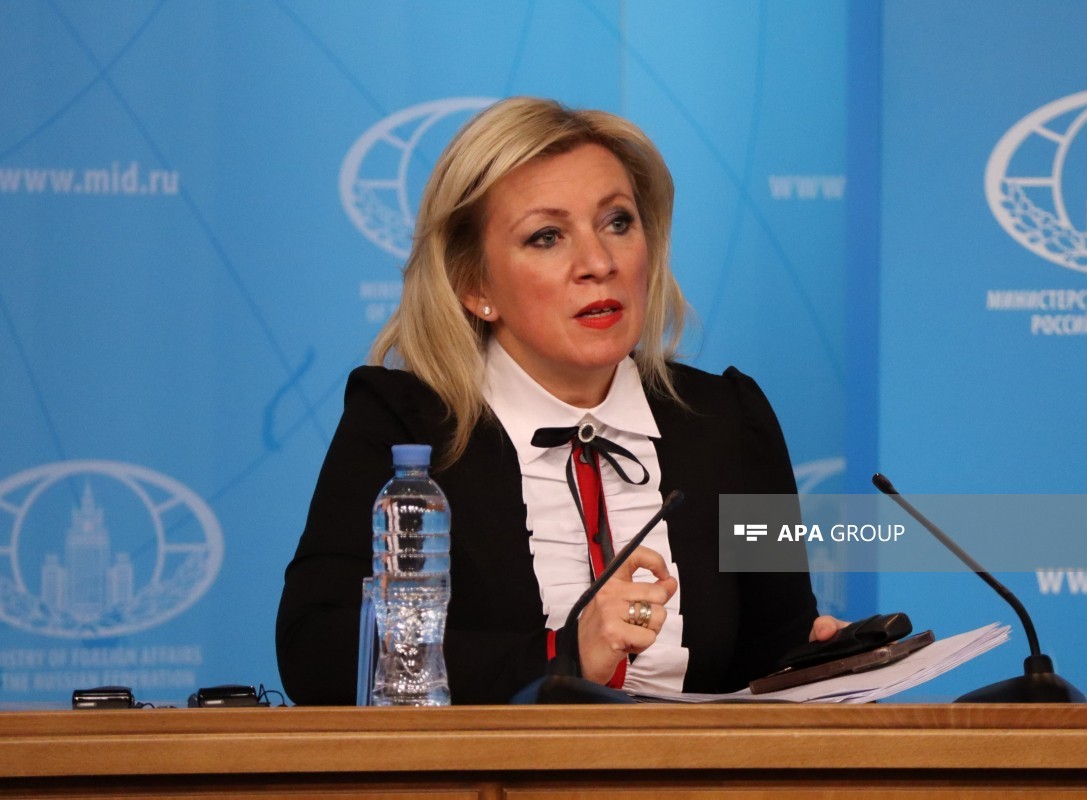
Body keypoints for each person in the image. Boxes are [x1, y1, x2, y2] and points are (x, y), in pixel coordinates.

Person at [276, 97, 840, 705]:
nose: (599, 262)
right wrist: (560, 657)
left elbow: (772, 646)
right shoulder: (406, 427)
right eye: (546, 237)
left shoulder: (730, 421)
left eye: (618, 222)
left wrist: (820, 661)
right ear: (474, 283)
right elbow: (319, 651)